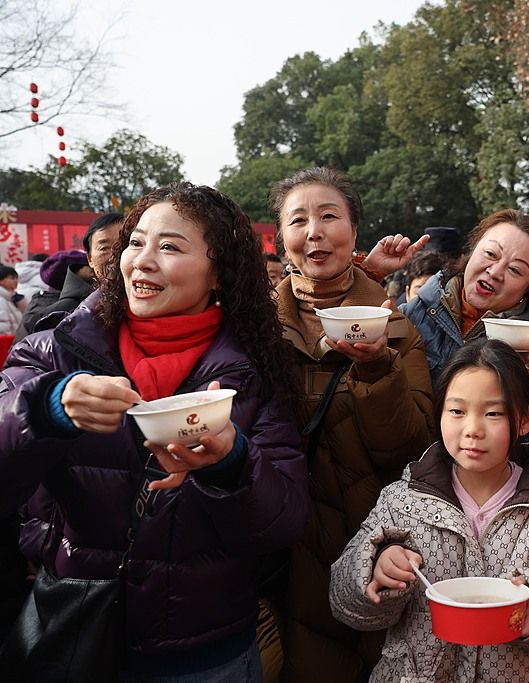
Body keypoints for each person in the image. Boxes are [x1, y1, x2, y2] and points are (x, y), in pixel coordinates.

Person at [0, 183, 309, 680]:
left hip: (203, 651)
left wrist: (231, 463)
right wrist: (47, 408)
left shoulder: (254, 372)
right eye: (136, 242)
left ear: (219, 273)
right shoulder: (53, 350)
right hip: (73, 631)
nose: (142, 261)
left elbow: (282, 522)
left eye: (169, 247)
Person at [329, 339, 529, 683]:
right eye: (457, 411)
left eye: (493, 413)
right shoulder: (402, 501)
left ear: (525, 419)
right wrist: (377, 568)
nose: (473, 429)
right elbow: (344, 602)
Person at [269, 167, 434, 683]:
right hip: (285, 544)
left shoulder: (395, 325)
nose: (314, 231)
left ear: (354, 232)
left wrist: (378, 368)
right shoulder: (255, 329)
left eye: (328, 216)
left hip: (374, 542)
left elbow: (411, 446)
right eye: (298, 220)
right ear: (282, 239)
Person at [401, 208, 529, 468]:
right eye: (490, 254)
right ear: (470, 253)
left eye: (515, 270)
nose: (496, 272)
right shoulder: (412, 314)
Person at [15, 213, 123, 341]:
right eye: (104, 248)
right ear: (89, 259)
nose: (115, 255)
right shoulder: (56, 317)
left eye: (124, 245)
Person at [0, 265, 24, 336]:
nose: (16, 281)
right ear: (1, 280)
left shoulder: (11, 298)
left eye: (16, 278)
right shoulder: (1, 300)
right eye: (12, 278)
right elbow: (3, 328)